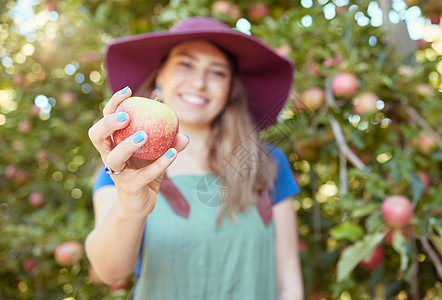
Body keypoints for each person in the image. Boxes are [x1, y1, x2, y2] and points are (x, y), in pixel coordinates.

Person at [86, 16, 303, 300]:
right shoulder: (124, 167)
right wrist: (130, 206)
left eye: (218, 73)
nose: (199, 83)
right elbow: (110, 273)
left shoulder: (268, 163)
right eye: (185, 64)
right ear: (160, 73)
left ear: (230, 89)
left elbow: (288, 282)